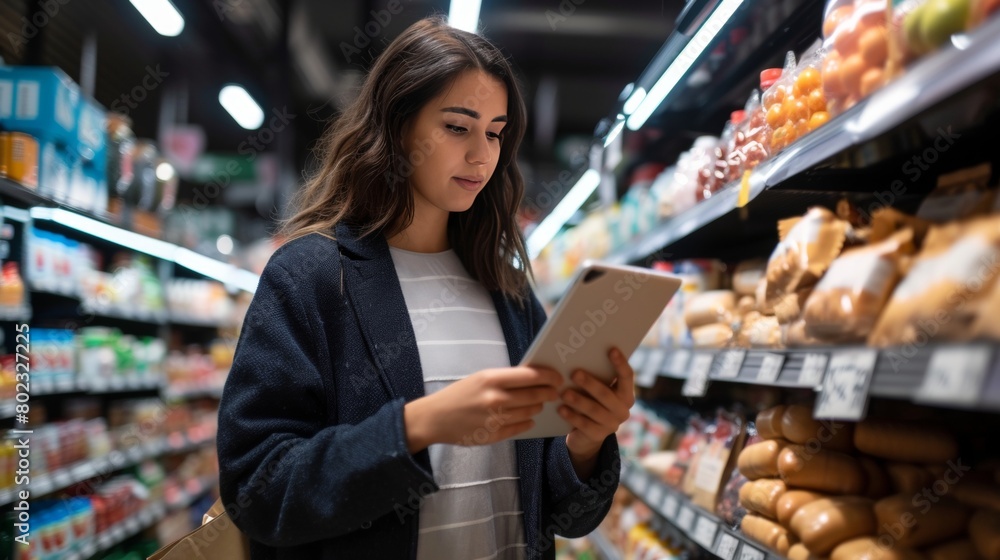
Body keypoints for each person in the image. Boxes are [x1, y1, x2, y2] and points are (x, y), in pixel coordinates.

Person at [217, 16, 633, 560]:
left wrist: (586, 442)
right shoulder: (312, 277)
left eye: (495, 132)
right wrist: (419, 424)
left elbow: (559, 513)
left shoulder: (505, 289)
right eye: (458, 127)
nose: (482, 156)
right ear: (397, 126)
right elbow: (258, 490)